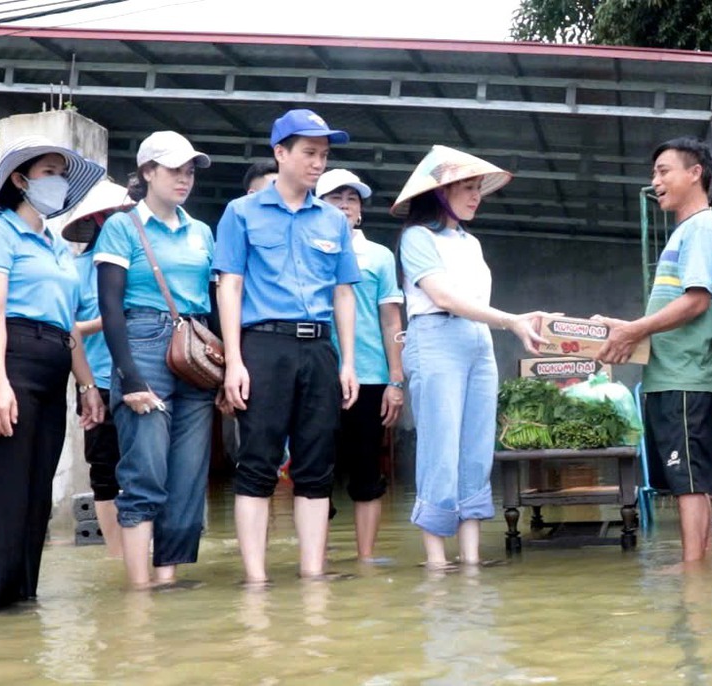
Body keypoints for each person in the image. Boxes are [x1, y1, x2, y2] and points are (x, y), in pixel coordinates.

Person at [215, 109, 360, 583]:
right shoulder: (241, 213)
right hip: (263, 346)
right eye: (309, 153)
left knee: (316, 463)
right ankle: (256, 579)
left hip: (318, 348)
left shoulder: (333, 222)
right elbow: (230, 286)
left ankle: (312, 575)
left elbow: (343, 294)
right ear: (280, 154)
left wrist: (348, 362)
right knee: (258, 459)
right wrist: (234, 360)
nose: (318, 163)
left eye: (323, 155)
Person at [394, 145, 546, 569]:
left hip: (478, 342)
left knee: (477, 446)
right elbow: (444, 296)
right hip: (435, 337)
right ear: (439, 193)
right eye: (465, 186)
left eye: (477, 187)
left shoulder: (471, 242)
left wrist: (514, 322)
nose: (475, 195)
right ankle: (437, 560)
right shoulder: (417, 238)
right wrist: (511, 321)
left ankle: (472, 557)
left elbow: (477, 303)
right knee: (440, 445)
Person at [0, 136, 106, 609]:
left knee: (37, 492)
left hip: (55, 368)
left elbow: (67, 323)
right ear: (20, 178)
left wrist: (87, 384)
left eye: (62, 173)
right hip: (16, 360)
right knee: (3, 491)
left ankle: (22, 598)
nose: (59, 181)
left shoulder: (54, 247)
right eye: (51, 171)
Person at [595, 137, 712, 563]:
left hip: (685, 378)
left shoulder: (703, 229)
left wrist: (633, 329)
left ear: (696, 173)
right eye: (654, 173)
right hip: (672, 375)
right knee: (690, 482)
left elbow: (696, 302)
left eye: (664, 171)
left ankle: (694, 576)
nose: (655, 182)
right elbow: (673, 312)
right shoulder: (686, 233)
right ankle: (698, 568)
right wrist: (623, 329)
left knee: (689, 484)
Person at [94, 131, 216, 589]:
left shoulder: (202, 231)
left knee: (187, 480)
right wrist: (128, 376)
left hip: (196, 350)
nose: (184, 179)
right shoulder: (122, 227)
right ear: (147, 173)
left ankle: (167, 583)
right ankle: (140, 591)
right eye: (174, 170)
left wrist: (223, 370)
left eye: (189, 171)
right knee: (145, 471)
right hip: (142, 341)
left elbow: (215, 303)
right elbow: (110, 307)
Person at [316, 168, 403, 562]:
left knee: (367, 469)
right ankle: (317, 556)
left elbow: (391, 322)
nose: (345, 205)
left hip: (369, 376)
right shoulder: (307, 249)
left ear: (361, 212)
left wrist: (396, 381)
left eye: (352, 199)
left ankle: (366, 558)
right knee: (315, 467)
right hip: (315, 373)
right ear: (318, 205)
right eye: (336, 198)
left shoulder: (380, 256)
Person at [62, 179, 136, 559]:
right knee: (105, 471)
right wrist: (110, 319)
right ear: (99, 219)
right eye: (120, 215)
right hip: (98, 380)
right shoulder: (75, 269)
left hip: (144, 377)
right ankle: (118, 558)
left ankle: (147, 552)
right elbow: (67, 330)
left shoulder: (142, 261)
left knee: (146, 469)